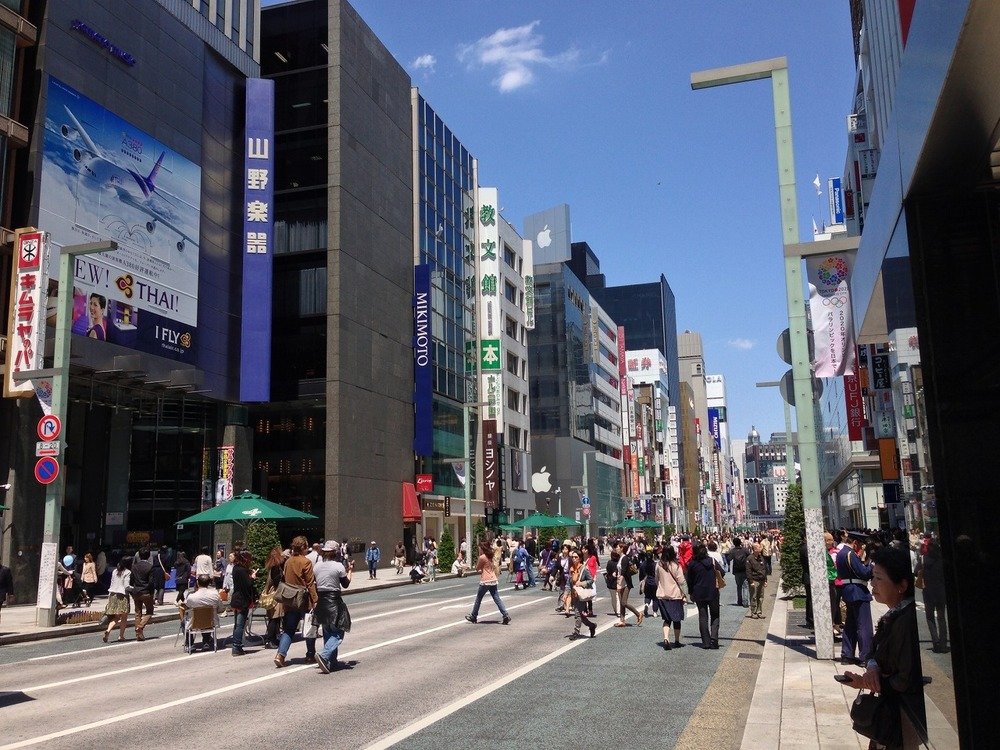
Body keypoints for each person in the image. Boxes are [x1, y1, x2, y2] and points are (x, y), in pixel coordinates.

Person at [843, 546, 927, 749]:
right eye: (872, 577)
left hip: (902, 719)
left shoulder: (905, 623)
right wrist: (872, 666)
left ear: (901, 586)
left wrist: (869, 682)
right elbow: (874, 649)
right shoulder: (893, 615)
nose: (872, 584)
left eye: (879, 578)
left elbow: (905, 680)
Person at [273, 536, 319, 668]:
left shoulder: (288, 562)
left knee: (289, 629)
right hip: (303, 600)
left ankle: (280, 655)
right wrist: (315, 600)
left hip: (289, 599)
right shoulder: (306, 562)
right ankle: (310, 654)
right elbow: (310, 584)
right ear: (304, 547)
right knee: (309, 627)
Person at [312, 540, 354, 673]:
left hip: (321, 601)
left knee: (327, 632)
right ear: (335, 552)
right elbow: (345, 584)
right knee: (338, 632)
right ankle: (324, 655)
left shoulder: (317, 566)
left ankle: (331, 662)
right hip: (334, 601)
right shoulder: (338, 566)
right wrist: (351, 571)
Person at [837, 531, 874, 666]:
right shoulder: (850, 554)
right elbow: (863, 573)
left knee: (850, 624)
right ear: (856, 543)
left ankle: (847, 654)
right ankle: (865, 655)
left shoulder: (841, 554)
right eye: (861, 545)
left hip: (848, 590)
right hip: (858, 591)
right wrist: (871, 564)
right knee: (864, 625)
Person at [686, 542, 723, 649]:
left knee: (703, 617)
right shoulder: (712, 561)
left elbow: (689, 580)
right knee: (715, 615)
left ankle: (706, 642)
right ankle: (714, 639)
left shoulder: (692, 564)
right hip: (713, 591)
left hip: (698, 592)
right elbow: (722, 572)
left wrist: (691, 593)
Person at [465, 540, 511, 625]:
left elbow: (477, 568)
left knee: (478, 599)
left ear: (482, 548)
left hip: (485, 580)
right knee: (497, 598)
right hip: (493, 579)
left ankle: (473, 616)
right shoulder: (491, 555)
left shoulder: (482, 557)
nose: (479, 550)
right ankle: (505, 615)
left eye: (480, 548)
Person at [916, 539, 948, 653]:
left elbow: (916, 572)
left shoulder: (924, 560)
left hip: (928, 592)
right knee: (941, 618)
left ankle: (935, 642)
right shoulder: (942, 560)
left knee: (930, 618)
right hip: (941, 592)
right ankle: (943, 643)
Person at [654, 545, 688, 650]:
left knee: (667, 619)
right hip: (675, 595)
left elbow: (656, 579)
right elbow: (681, 581)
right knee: (677, 620)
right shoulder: (676, 565)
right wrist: (685, 594)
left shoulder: (659, 565)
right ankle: (677, 640)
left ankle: (666, 638)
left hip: (662, 595)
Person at [181, 574, 226, 651]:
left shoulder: (192, 597)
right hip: (210, 621)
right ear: (208, 583)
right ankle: (206, 642)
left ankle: (190, 643)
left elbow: (187, 607)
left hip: (194, 622)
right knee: (206, 619)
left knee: (183, 622)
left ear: (198, 583)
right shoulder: (215, 595)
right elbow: (221, 608)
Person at [228, 551, 255, 656]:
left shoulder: (235, 568)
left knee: (237, 624)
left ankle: (236, 645)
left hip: (236, 598)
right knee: (240, 625)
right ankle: (236, 646)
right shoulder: (243, 570)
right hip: (242, 599)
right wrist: (252, 577)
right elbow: (247, 585)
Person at [610, 544, 644, 627]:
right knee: (622, 603)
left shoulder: (624, 558)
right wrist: (615, 573)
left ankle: (638, 614)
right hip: (621, 582)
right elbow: (620, 570)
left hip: (625, 583)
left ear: (621, 549)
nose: (616, 549)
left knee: (624, 602)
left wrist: (618, 584)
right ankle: (622, 620)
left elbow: (624, 572)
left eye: (617, 547)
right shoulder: (620, 558)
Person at [568, 549, 597, 638]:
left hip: (581, 594)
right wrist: (568, 593)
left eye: (576, 557)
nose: (574, 559)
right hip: (574, 594)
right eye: (572, 557)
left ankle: (576, 632)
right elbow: (569, 582)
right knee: (580, 614)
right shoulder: (572, 568)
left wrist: (581, 583)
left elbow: (591, 580)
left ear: (580, 558)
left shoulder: (583, 568)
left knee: (577, 613)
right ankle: (592, 625)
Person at [262, 547, 286, 649]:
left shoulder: (272, 567)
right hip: (276, 594)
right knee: (274, 618)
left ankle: (273, 638)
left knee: (275, 618)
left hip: (272, 593)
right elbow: (277, 581)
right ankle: (269, 639)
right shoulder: (276, 567)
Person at [102, 558, 131, 642]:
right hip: (122, 595)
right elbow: (127, 586)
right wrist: (134, 589)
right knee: (124, 616)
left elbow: (111, 583)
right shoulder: (127, 572)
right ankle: (121, 636)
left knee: (116, 617)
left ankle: (108, 630)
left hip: (112, 594)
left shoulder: (115, 571)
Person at [130, 549, 155, 640]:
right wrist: (152, 593)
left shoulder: (134, 566)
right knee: (149, 611)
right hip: (146, 592)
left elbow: (131, 581)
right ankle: (140, 626)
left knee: (138, 613)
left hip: (136, 591)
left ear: (139, 556)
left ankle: (138, 635)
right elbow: (151, 582)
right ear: (148, 556)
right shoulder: (150, 566)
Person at [746, 542, 767, 619]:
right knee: (754, 597)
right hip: (754, 579)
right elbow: (748, 571)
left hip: (761, 579)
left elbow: (764, 569)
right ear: (754, 549)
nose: (760, 548)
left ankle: (759, 612)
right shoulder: (750, 558)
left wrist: (765, 580)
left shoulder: (761, 557)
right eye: (758, 547)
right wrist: (751, 581)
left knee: (761, 597)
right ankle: (753, 612)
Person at [730, 537, 750, 607]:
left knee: (739, 586)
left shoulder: (732, 551)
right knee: (745, 586)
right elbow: (750, 557)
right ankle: (746, 602)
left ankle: (739, 601)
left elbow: (729, 559)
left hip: (736, 570)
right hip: (744, 569)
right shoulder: (745, 550)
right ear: (740, 542)